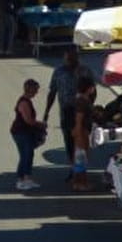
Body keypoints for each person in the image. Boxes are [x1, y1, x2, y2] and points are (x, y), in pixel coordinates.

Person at [45, 47, 94, 180]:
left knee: (82, 146)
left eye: (72, 58)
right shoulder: (59, 72)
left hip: (82, 111)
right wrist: (46, 112)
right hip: (66, 111)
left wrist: (90, 106)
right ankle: (75, 170)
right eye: (67, 58)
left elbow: (93, 90)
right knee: (69, 143)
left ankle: (80, 172)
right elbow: (52, 92)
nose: (70, 61)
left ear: (77, 58)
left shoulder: (85, 71)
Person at [11, 79, 45, 191]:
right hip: (21, 132)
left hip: (23, 132)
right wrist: (40, 124)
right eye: (36, 89)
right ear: (30, 89)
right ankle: (23, 179)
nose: (37, 92)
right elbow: (28, 120)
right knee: (26, 155)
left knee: (26, 155)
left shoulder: (26, 101)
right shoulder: (24, 102)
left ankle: (24, 179)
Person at [71, 76, 96, 191]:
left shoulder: (82, 98)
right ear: (88, 88)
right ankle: (81, 183)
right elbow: (79, 117)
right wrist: (78, 132)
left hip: (83, 130)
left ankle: (78, 182)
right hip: (82, 131)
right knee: (81, 157)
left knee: (80, 158)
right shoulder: (82, 100)